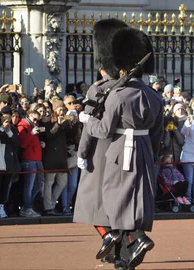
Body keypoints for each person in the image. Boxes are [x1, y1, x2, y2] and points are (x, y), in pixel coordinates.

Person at [81, 26, 164, 270]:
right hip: (145, 148)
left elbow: (105, 129)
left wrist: (88, 121)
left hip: (120, 150)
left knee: (113, 198)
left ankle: (133, 237)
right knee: (136, 198)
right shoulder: (154, 96)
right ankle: (128, 245)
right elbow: (157, 134)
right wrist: (153, 155)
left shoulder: (118, 95)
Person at [74, 18, 129, 267]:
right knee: (119, 204)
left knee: (92, 203)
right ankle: (119, 254)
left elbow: (89, 126)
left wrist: (82, 153)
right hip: (124, 150)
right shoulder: (132, 87)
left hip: (100, 151)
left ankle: (108, 237)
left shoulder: (96, 90)